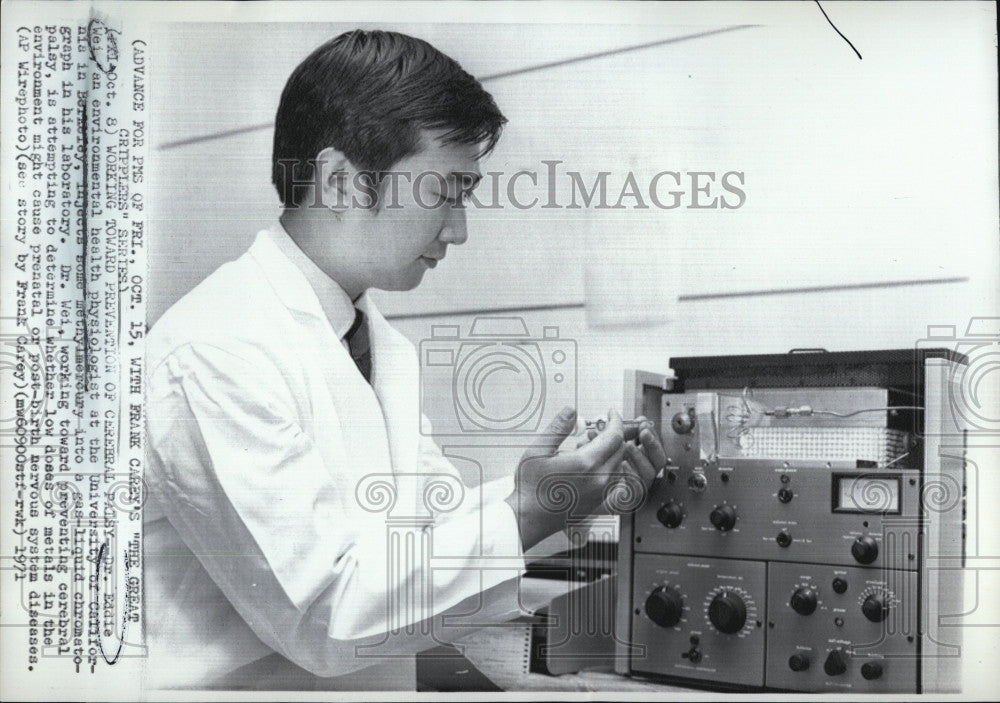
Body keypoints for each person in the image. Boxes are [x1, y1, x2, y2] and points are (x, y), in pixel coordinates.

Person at [143, 29, 667, 690]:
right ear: (340, 181)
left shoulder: (375, 341)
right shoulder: (215, 351)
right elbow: (327, 614)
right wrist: (526, 511)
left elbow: (424, 534)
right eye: (446, 191)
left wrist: (567, 496)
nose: (459, 227)